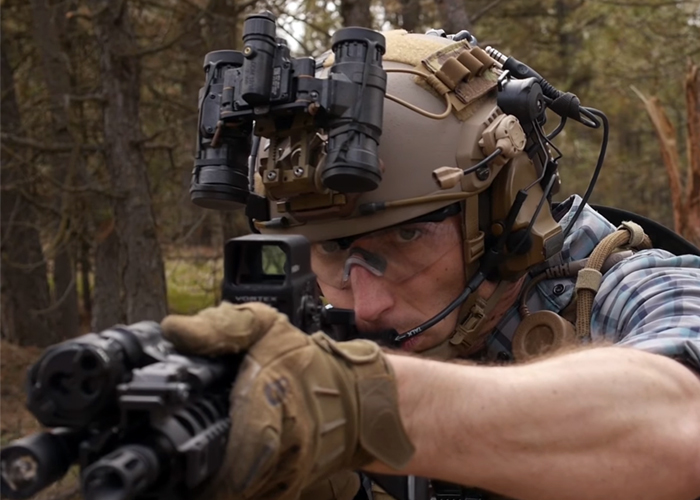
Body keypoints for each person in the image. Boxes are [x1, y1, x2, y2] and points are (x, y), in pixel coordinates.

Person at [163, 29, 700, 500]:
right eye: (330, 251)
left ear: (505, 213)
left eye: (406, 236)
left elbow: (682, 421)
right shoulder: (320, 334)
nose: (368, 307)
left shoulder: (642, 287)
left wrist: (359, 404)